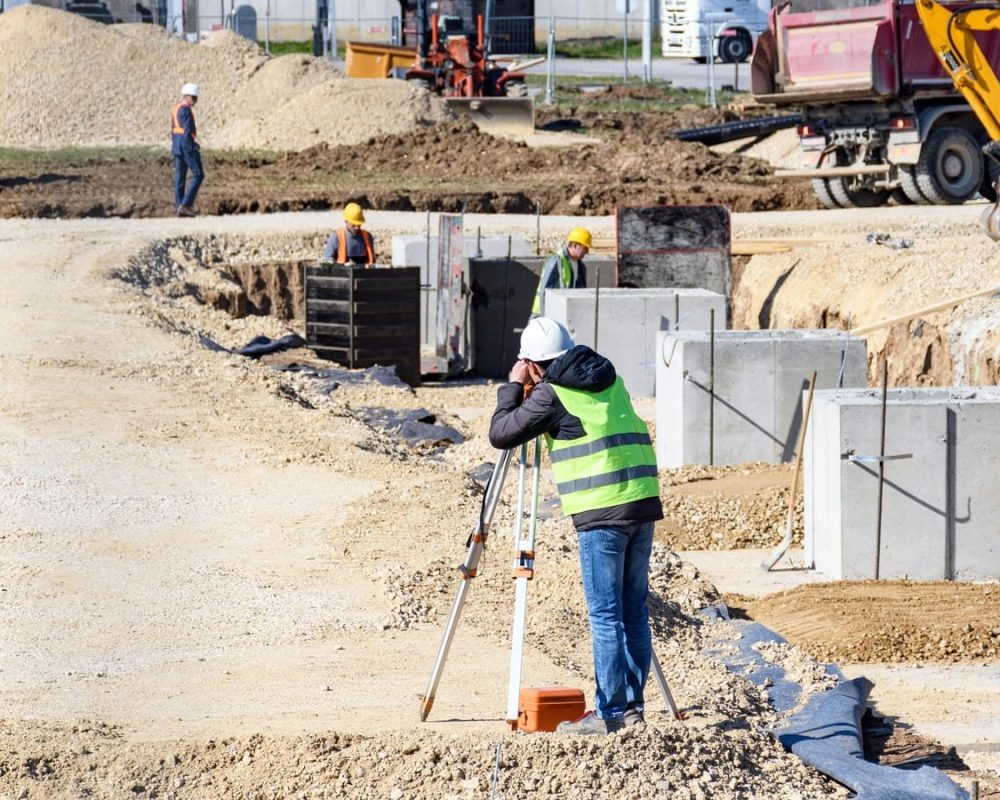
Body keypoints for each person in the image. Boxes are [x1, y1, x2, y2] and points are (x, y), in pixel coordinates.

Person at [488, 317, 663, 736]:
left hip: (601, 513)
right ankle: (634, 709)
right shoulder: (610, 378)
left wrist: (512, 387)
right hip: (641, 502)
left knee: (606, 616)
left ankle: (609, 715)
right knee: (633, 612)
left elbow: (501, 433)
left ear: (532, 364)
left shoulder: (551, 394)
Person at [531, 227, 591, 318]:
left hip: (562, 313)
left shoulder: (581, 267)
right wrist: (545, 318)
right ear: (575, 245)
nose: (587, 252)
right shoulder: (557, 261)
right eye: (585, 248)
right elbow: (546, 290)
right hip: (543, 313)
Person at [171, 83, 204, 218]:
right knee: (198, 174)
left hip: (177, 145)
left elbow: (174, 130)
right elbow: (187, 130)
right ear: (188, 96)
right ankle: (185, 205)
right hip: (185, 145)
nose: (195, 101)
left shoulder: (175, 108)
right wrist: (192, 146)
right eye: (194, 98)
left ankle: (179, 207)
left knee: (180, 178)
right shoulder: (185, 110)